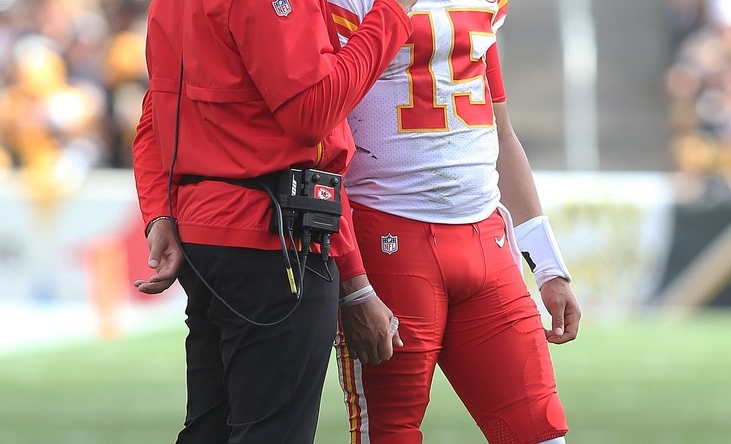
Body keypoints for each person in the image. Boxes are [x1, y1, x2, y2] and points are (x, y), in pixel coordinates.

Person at [130, 0, 417, 442]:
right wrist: (393, 11)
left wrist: (159, 213)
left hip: (208, 235)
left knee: (211, 430)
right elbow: (313, 113)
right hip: (271, 238)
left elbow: (156, 113)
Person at [328, 0, 583, 443]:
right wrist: (354, 286)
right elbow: (322, 128)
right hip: (388, 241)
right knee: (390, 433)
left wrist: (548, 265)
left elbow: (500, 132)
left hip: (486, 243)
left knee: (540, 431)